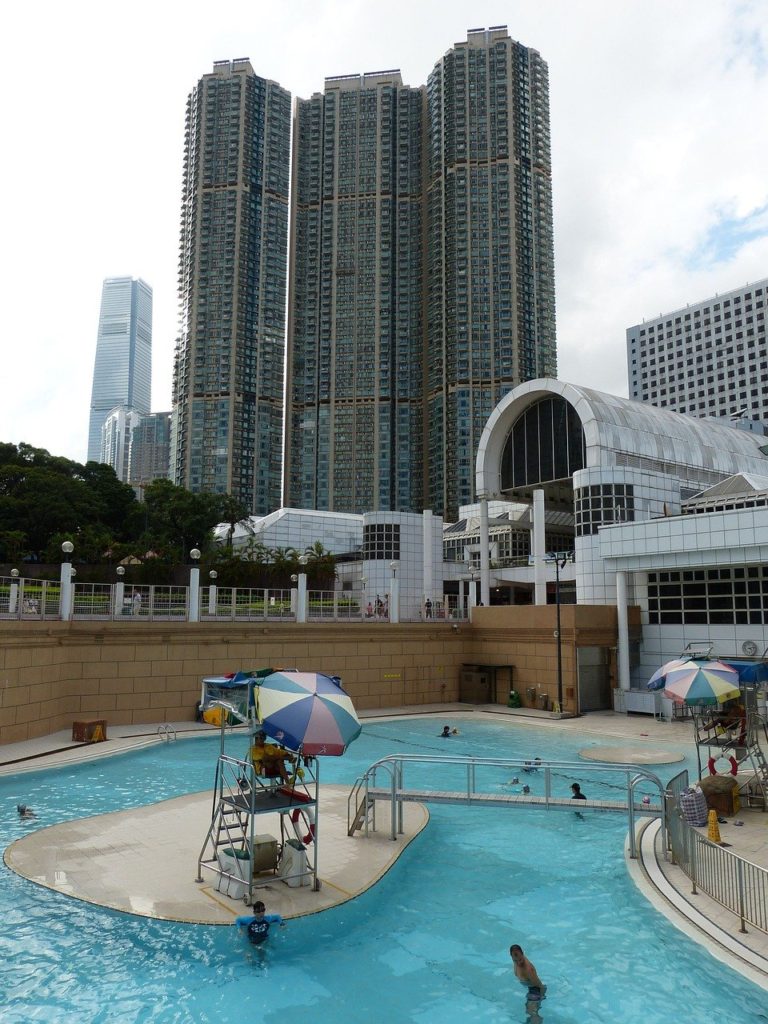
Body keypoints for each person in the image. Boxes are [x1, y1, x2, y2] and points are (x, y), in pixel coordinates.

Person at [510, 944, 547, 1023]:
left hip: (535, 989)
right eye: (515, 960)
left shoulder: (529, 969)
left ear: (523, 954)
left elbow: (539, 985)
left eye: (520, 959)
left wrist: (542, 996)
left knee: (532, 1013)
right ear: (512, 958)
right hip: (529, 987)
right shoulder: (516, 958)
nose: (518, 963)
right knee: (528, 1011)